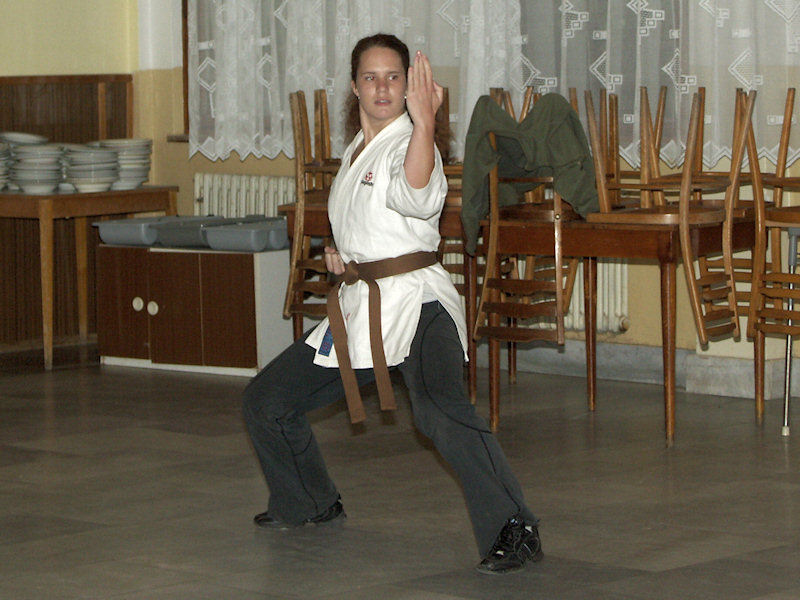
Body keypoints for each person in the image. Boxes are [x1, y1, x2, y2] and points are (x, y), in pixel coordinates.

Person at [242, 33, 541, 575]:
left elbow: (415, 193)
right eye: (371, 77)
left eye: (394, 77)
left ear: (409, 87)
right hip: (362, 306)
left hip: (419, 304)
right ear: (355, 87)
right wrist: (344, 255)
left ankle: (514, 527)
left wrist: (426, 124)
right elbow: (370, 223)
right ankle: (309, 500)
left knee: (440, 412)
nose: (382, 88)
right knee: (267, 400)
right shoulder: (358, 150)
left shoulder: (411, 143)